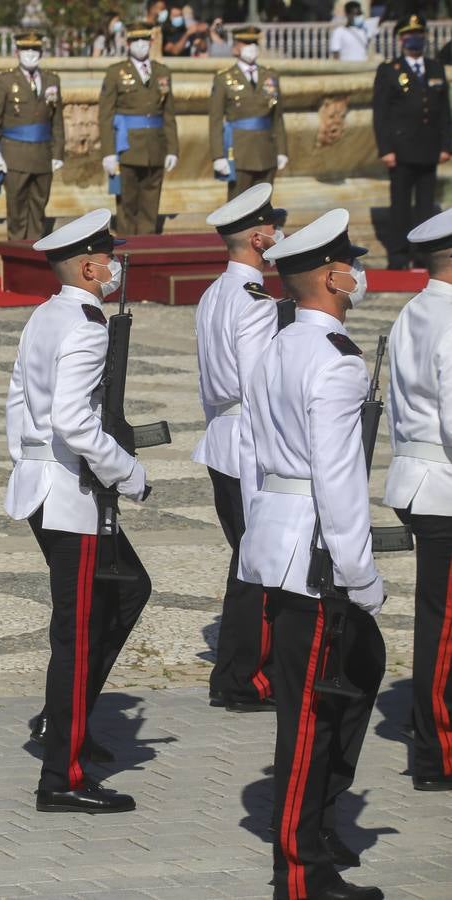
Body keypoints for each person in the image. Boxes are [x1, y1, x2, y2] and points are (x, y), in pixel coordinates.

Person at [242, 209, 386, 900]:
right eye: (350, 263)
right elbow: (340, 481)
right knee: (307, 715)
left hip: (279, 538)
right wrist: (361, 574)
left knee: (360, 669)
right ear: (331, 276)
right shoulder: (335, 363)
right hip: (318, 555)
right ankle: (300, 875)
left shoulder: (278, 344)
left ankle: (321, 825)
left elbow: (254, 454)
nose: (358, 272)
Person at [5, 209, 153, 814]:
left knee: (126, 591)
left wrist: (25, 459)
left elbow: (17, 397)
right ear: (90, 266)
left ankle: (66, 722)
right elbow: (74, 419)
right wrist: (127, 471)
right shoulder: (87, 324)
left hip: (44, 483)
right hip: (70, 493)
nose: (115, 266)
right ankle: (61, 774)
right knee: (78, 632)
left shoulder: (47, 314)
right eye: (109, 258)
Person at [194, 184, 285, 713]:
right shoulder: (254, 303)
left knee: (245, 563)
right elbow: (258, 387)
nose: (277, 234)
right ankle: (244, 678)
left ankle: (236, 672)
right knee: (257, 566)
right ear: (256, 237)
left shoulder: (213, 293)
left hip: (221, 440)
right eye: (272, 227)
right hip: (248, 442)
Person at [383, 207, 452, 792]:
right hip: (445, 488)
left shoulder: (415, 311)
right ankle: (437, 752)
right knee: (443, 624)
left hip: (417, 476)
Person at [373, 14, 452, 269]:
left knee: (426, 207)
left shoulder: (435, 68)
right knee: (401, 206)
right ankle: (398, 254)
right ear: (401, 39)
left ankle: (423, 253)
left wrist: (446, 145)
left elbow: (444, 112)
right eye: (409, 35)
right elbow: (381, 113)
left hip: (429, 149)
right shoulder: (389, 70)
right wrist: (385, 149)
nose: (415, 39)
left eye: (419, 34)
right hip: (401, 150)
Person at [0, 30, 66, 242]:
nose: (30, 53)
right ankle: (17, 256)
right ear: (16, 52)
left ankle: (35, 255)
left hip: (42, 154)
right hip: (15, 155)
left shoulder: (52, 79)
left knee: (39, 209)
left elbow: (56, 121)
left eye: (35, 49)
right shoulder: (4, 80)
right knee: (17, 212)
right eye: (25, 49)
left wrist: (58, 153)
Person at [99, 24, 178, 236]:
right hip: (127, 147)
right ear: (128, 44)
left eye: (145, 41)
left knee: (151, 204)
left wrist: (173, 148)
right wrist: (108, 152)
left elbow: (168, 114)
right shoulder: (116, 72)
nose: (141, 45)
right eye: (136, 41)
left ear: (151, 43)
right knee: (127, 204)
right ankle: (128, 251)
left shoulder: (162, 71)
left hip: (155, 146)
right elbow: (105, 115)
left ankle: (147, 248)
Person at [209, 27, 288, 199]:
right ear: (235, 49)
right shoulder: (224, 78)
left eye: (254, 43)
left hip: (266, 148)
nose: (251, 48)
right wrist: (218, 156)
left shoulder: (270, 75)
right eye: (246, 44)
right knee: (238, 202)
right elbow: (215, 120)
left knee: (263, 203)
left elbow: (277, 117)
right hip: (239, 150)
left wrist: (282, 150)